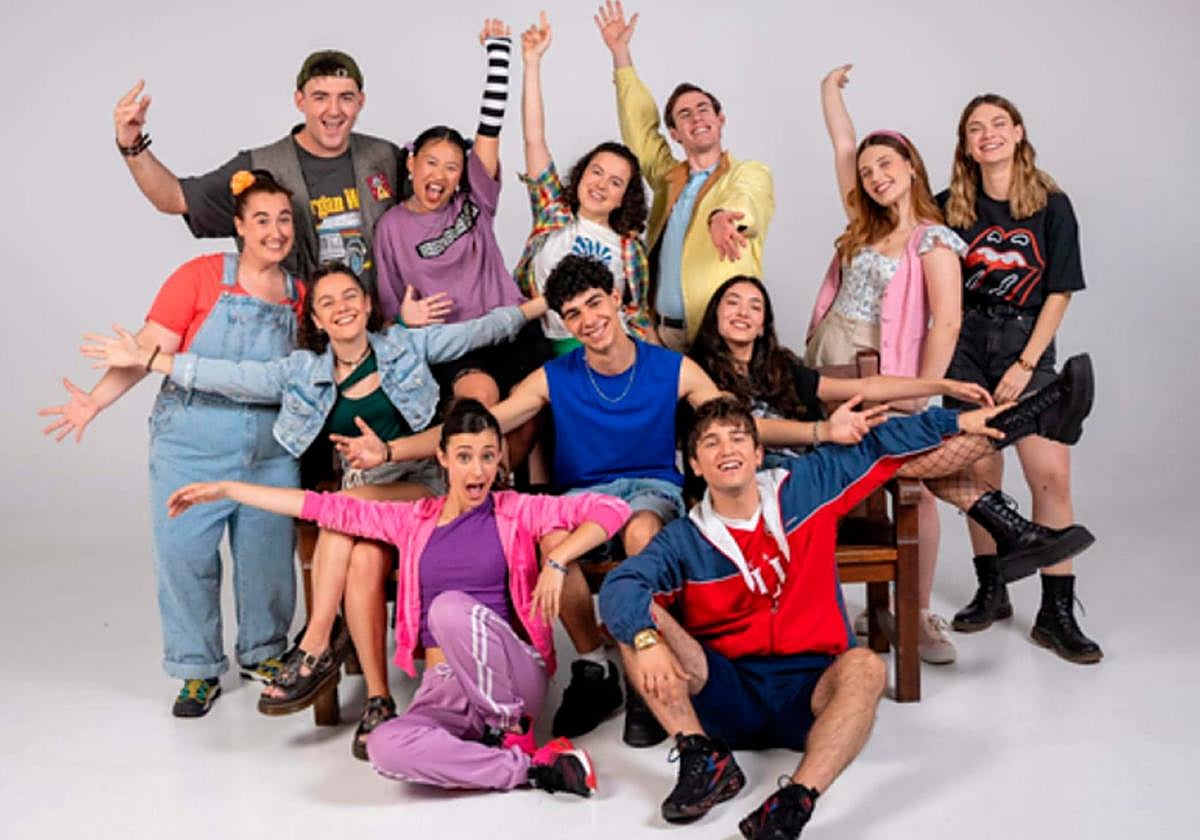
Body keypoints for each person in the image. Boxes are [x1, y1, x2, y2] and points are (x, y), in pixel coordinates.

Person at [80, 266, 547, 753]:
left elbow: (483, 329)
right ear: (317, 321)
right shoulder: (302, 371)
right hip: (365, 486)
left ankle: (315, 643)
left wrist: (544, 304)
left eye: (350, 297)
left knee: (339, 510)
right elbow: (235, 377)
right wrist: (152, 359)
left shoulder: (406, 344)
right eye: (328, 302)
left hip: (423, 481)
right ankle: (379, 699)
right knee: (362, 557)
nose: (342, 307)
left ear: (367, 305)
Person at [598, 388, 1096, 837]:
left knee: (867, 666)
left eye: (737, 438)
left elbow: (879, 446)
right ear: (695, 465)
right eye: (711, 443)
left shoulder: (805, 487)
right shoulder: (682, 539)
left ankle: (793, 803)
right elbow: (622, 586)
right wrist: (646, 640)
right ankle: (704, 760)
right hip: (725, 690)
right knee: (637, 618)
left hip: (810, 689)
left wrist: (958, 421)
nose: (726, 449)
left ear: (758, 453)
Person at [166, 400, 631, 796]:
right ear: (443, 459)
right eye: (465, 456)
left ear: (499, 461)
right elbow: (320, 506)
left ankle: (511, 730)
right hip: (443, 688)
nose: (478, 470)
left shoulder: (517, 510)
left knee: (448, 608)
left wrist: (557, 560)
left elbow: (612, 508)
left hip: (513, 678)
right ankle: (529, 769)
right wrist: (229, 489)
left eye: (488, 457)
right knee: (385, 746)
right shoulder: (414, 521)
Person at [40, 170, 303, 717]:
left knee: (267, 559)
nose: (275, 231)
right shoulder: (200, 277)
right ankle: (196, 669)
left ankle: (264, 652)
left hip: (271, 451)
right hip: (191, 446)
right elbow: (144, 351)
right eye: (261, 220)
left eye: (284, 219)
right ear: (239, 226)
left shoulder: (300, 295)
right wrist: (94, 402)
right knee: (185, 557)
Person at [805, 64, 967, 664]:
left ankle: (916, 612)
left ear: (912, 167)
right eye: (868, 171)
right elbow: (843, 146)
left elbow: (946, 322)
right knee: (839, 470)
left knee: (911, 484)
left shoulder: (932, 239)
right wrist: (828, 91)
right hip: (830, 356)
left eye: (886, 165)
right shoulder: (861, 225)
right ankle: (858, 595)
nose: (875, 176)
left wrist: (918, 393)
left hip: (886, 367)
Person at [938, 93, 1101, 663]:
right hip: (964, 346)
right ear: (965, 145)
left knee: (1050, 474)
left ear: (1018, 132)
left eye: (997, 124)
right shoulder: (950, 207)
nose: (987, 134)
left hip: (1024, 341)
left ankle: (1056, 612)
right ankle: (992, 587)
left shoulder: (1051, 205)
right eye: (975, 128)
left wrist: (1026, 364)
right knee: (979, 470)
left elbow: (1060, 290)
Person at [373, 20, 544, 421]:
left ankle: (524, 468)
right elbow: (388, 314)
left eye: (452, 167)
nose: (440, 175)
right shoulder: (391, 227)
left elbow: (490, 127)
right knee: (480, 404)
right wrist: (404, 319)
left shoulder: (476, 202)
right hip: (455, 343)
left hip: (512, 325)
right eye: (431, 162)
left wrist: (499, 55)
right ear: (412, 163)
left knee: (530, 410)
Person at [113, 51, 402, 286]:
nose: (334, 110)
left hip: (376, 328)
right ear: (300, 100)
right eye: (320, 97)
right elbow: (174, 198)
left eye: (346, 97)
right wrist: (131, 144)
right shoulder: (258, 166)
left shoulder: (385, 157)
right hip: (290, 329)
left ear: (360, 101)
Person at [594, 0, 774, 351]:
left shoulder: (748, 173)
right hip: (664, 335)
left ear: (720, 119)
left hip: (720, 337)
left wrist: (723, 217)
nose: (697, 118)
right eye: (685, 115)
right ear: (675, 133)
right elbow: (641, 132)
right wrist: (621, 55)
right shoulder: (670, 179)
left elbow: (747, 201)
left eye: (703, 109)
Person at [513, 11, 654, 355]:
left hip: (613, 349)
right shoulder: (553, 212)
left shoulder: (628, 249)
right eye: (596, 172)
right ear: (581, 174)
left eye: (616, 182)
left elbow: (637, 314)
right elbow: (534, 138)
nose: (601, 185)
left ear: (624, 198)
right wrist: (532, 63)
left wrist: (667, 366)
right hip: (553, 343)